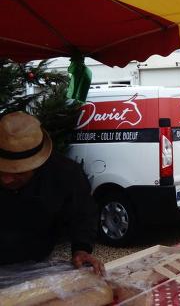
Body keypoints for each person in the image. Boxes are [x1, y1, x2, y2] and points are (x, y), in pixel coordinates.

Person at [0, 111, 104, 275]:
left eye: (18, 173)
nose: (6, 180)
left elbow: (83, 214)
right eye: (1, 170)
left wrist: (82, 248)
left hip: (37, 260)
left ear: (37, 164)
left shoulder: (65, 173)